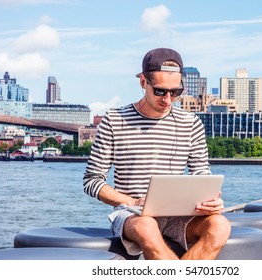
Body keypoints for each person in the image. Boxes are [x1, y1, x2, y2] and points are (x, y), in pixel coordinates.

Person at [83, 47, 231, 260]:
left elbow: (201, 172)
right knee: (146, 227)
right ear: (143, 82)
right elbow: (92, 180)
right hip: (132, 214)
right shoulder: (114, 120)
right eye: (160, 91)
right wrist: (132, 202)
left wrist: (210, 200)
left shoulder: (191, 123)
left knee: (220, 226)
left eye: (175, 92)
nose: (168, 100)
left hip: (178, 213)